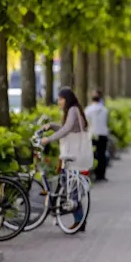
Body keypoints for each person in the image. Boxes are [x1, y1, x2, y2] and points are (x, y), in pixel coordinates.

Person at [41, 87, 89, 231]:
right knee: (67, 182)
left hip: (73, 154)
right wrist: (52, 126)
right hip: (73, 152)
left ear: (67, 99)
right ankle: (80, 220)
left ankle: (79, 219)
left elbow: (67, 129)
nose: (59, 101)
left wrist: (48, 139)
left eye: (61, 99)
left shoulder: (73, 110)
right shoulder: (73, 110)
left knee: (69, 184)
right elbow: (66, 128)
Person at [85, 91, 109, 182]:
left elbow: (86, 122)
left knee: (93, 154)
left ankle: (93, 173)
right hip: (103, 134)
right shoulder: (104, 110)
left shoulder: (88, 109)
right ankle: (101, 175)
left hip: (93, 134)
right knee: (102, 154)